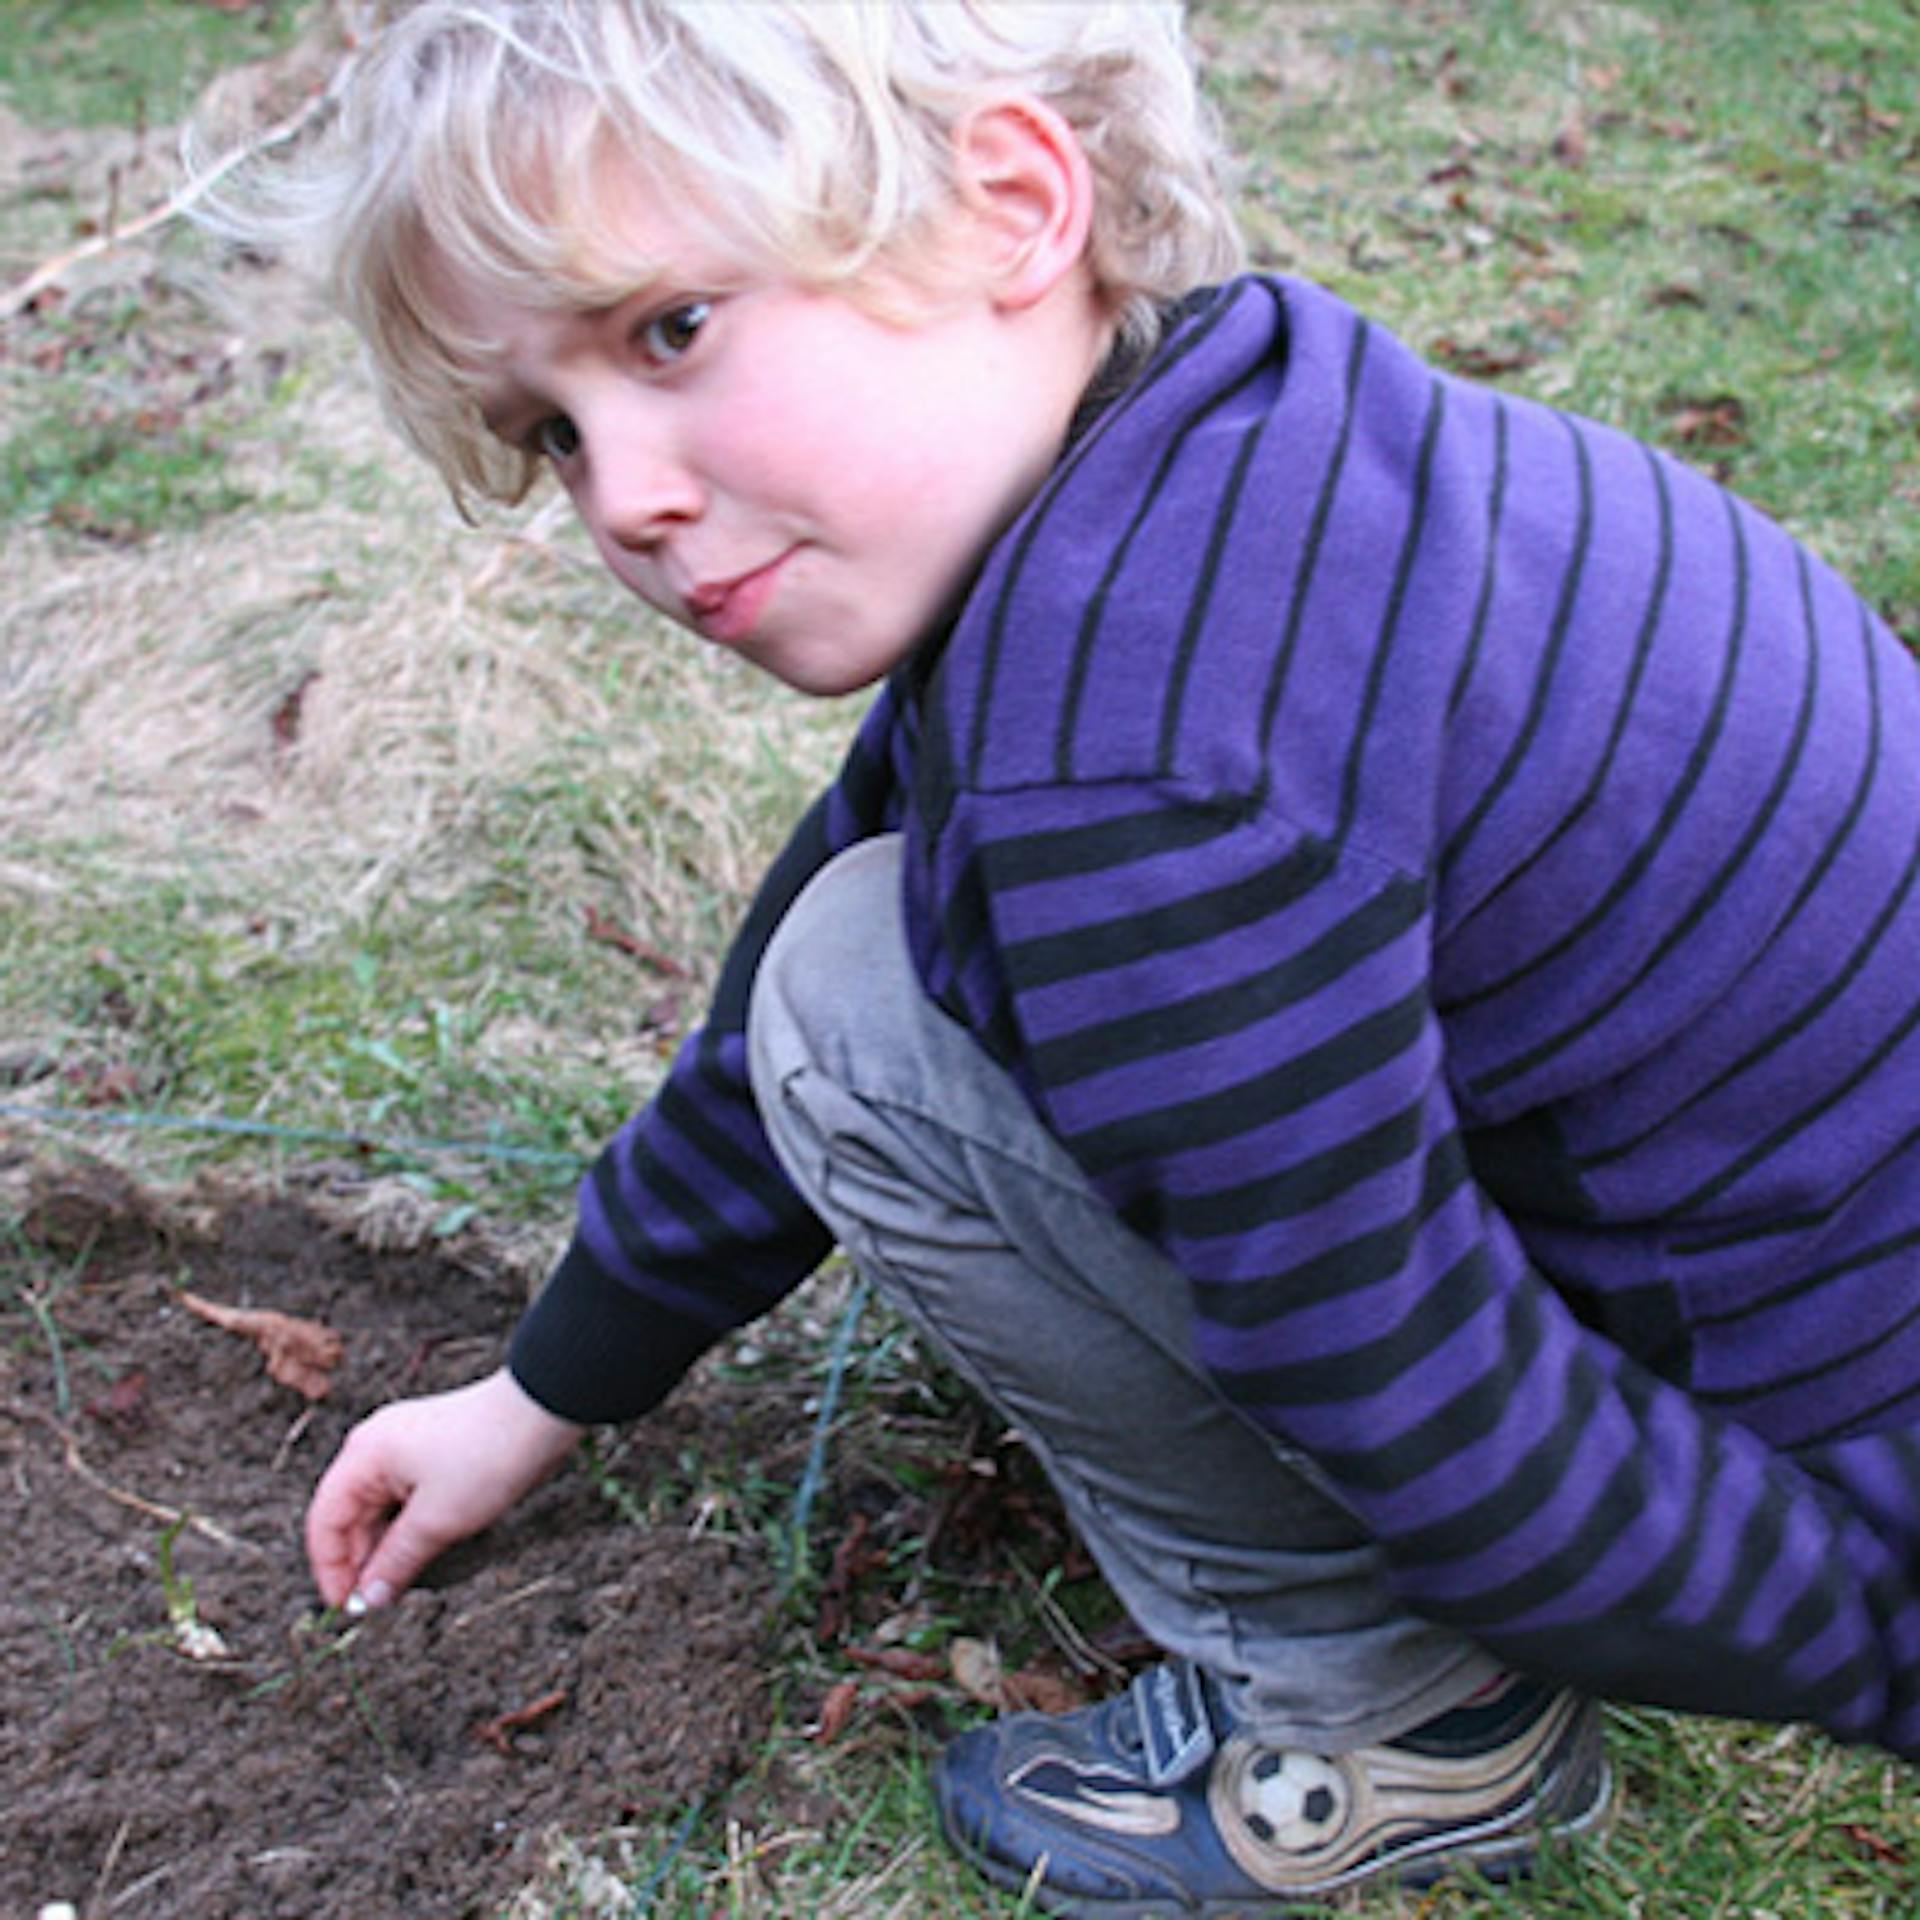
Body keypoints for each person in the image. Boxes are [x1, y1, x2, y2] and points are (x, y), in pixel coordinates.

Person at [247, 2, 1920, 1910]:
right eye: (554, 430)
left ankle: (1410, 1726)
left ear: (1014, 207)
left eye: (671, 330)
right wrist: (548, 1388)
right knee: (867, 944)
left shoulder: (1136, 780)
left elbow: (1404, 1373)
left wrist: (1872, 1639)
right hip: (1809, 1259)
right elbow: (857, 860)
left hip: (1841, 1436)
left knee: (855, 1012)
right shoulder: (1217, 436)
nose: (622, 496)